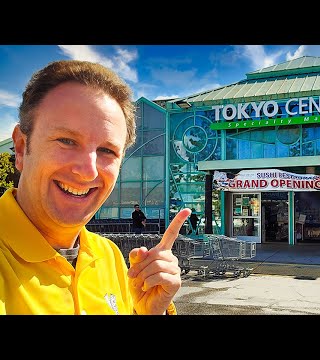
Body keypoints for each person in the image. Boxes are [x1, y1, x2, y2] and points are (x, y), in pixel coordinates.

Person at [0, 60, 193, 315]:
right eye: (67, 141)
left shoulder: (109, 256)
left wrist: (148, 312)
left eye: (106, 150)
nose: (88, 170)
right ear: (22, 148)